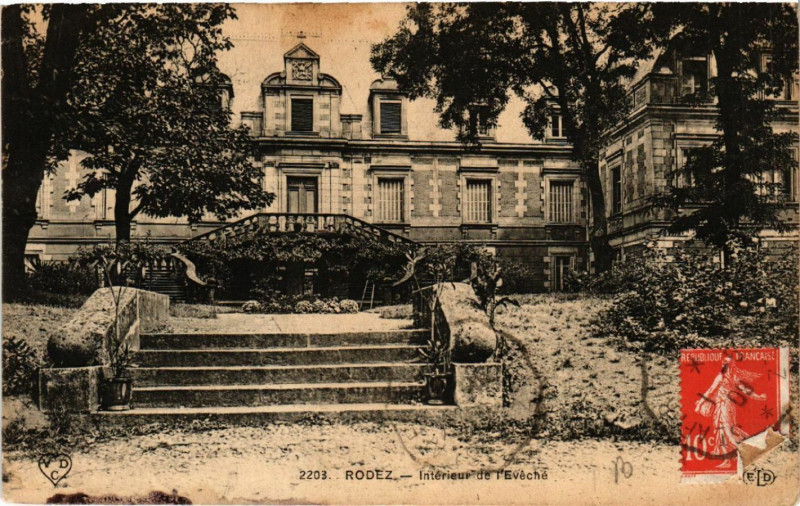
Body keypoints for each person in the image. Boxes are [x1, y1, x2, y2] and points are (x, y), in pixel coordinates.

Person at [694, 355, 766, 468]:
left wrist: (700, 404)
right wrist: (758, 397)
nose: (724, 365)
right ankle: (728, 460)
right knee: (721, 431)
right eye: (724, 363)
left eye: (726, 363)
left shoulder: (725, 377)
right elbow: (712, 391)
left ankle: (747, 449)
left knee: (726, 431)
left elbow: (711, 390)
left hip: (725, 406)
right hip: (723, 406)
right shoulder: (731, 377)